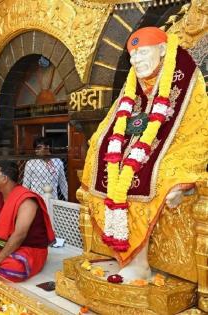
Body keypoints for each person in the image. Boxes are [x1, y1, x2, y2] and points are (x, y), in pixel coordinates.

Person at [81, 27, 207, 282]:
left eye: (142, 53)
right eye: (132, 56)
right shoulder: (132, 85)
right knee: (100, 153)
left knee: (157, 172)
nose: (136, 60)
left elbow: (195, 127)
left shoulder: (185, 75)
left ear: (162, 50)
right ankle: (117, 253)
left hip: (177, 148)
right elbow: (114, 121)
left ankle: (139, 264)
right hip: (134, 150)